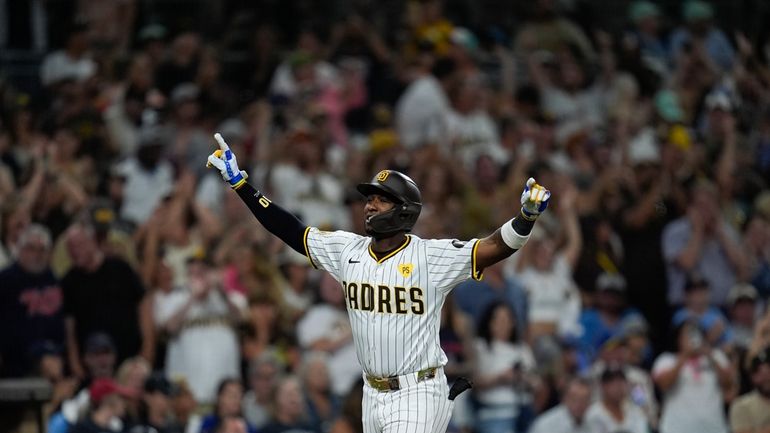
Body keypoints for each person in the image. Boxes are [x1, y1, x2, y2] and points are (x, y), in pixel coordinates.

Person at [206, 133, 551, 433]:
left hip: (418, 391)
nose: (370, 206)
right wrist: (242, 186)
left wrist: (525, 218)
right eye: (369, 198)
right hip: (371, 392)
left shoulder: (431, 256)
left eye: (380, 198)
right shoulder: (347, 250)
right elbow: (291, 231)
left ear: (404, 210)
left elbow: (493, 247)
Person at [61, 223, 153, 376]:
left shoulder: (120, 268)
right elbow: (69, 328)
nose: (74, 252)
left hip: (130, 360)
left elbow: (144, 305)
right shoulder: (68, 282)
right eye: (70, 247)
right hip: (92, 367)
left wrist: (147, 350)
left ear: (92, 242)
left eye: (79, 245)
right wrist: (75, 365)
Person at [0, 224, 64, 377]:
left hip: (52, 353)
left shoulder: (53, 280)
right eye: (31, 248)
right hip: (15, 355)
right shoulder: (6, 281)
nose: (37, 254)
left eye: (42, 250)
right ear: (20, 250)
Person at [652, 320, 732, 433]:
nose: (692, 338)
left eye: (695, 333)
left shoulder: (716, 356)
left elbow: (728, 383)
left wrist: (709, 354)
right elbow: (663, 385)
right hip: (676, 428)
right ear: (678, 338)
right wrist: (684, 356)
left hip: (714, 427)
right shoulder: (666, 360)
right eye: (687, 334)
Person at [586, 365, 650, 433]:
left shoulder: (635, 410)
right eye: (612, 382)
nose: (618, 387)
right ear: (603, 386)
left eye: (621, 381)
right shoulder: (594, 414)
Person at [528, 377, 593, 433]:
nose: (579, 404)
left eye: (584, 399)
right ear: (565, 399)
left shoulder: (590, 424)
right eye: (574, 399)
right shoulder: (545, 426)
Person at [730, 346, 770, 433]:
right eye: (759, 372)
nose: (766, 377)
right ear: (752, 377)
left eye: (768, 370)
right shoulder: (742, 405)